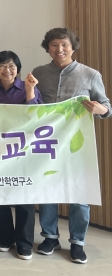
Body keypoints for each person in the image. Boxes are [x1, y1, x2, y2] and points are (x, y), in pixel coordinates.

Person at [32, 28, 111, 264]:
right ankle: (50, 237)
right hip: (47, 144)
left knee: (79, 193)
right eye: (54, 45)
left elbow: (106, 106)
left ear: (73, 47)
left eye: (64, 45)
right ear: (48, 48)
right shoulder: (39, 73)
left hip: (78, 145)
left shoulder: (90, 74)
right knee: (48, 190)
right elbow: (31, 105)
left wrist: (101, 109)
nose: (60, 49)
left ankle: (77, 242)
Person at [0, 51, 43, 260]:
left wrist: (29, 91)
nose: (7, 70)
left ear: (18, 69)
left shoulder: (29, 87)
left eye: (11, 66)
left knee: (24, 197)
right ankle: (4, 237)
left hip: (24, 150)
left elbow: (36, 116)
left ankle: (24, 243)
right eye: (2, 66)